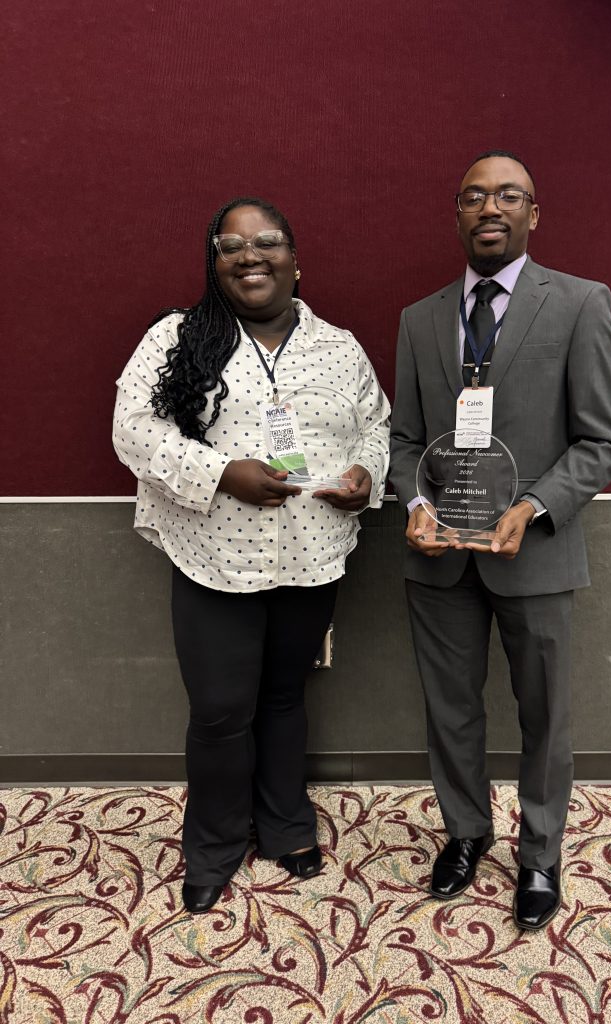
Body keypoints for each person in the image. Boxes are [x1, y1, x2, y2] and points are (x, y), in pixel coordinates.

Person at [113, 196, 390, 914]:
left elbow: (377, 426)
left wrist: (366, 478)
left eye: (267, 242)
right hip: (212, 556)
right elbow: (132, 427)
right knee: (218, 711)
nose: (249, 255)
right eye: (230, 246)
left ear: (297, 261)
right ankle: (212, 845)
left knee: (284, 696)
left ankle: (286, 826)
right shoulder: (177, 338)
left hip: (311, 553)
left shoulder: (340, 347)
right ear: (215, 264)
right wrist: (219, 473)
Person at [389, 151, 611, 930]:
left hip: (537, 548)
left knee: (544, 712)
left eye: (510, 196)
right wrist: (416, 502)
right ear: (456, 212)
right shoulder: (420, 320)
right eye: (475, 196)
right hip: (439, 557)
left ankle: (539, 853)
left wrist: (532, 507)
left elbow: (602, 442)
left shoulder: (582, 304)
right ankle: (464, 833)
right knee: (450, 709)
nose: (492, 207)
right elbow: (403, 439)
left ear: (534, 213)